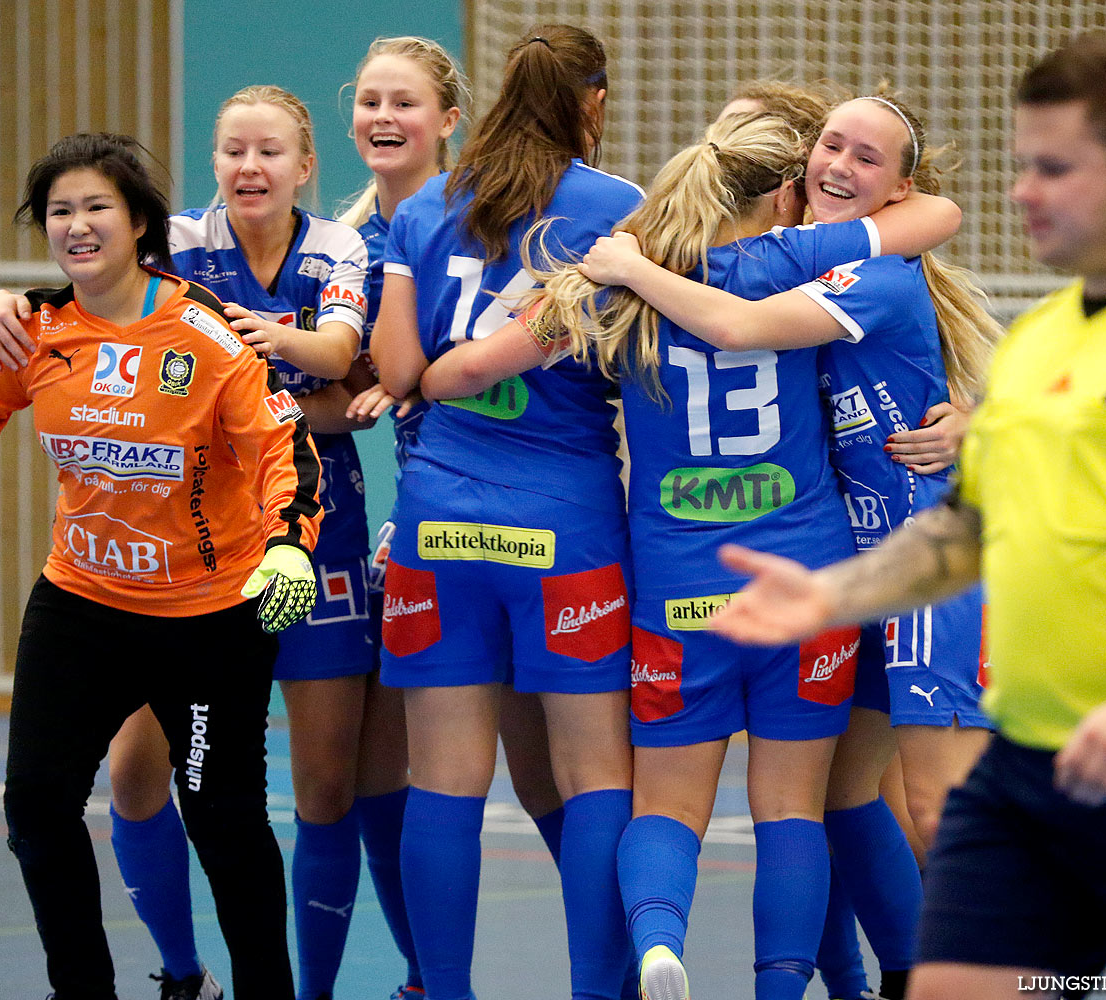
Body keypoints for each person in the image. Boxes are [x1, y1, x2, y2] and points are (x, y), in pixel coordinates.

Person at [709, 30, 1106, 1000]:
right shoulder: (1035, 345)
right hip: (1031, 760)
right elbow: (962, 533)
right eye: (1025, 165)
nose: (1024, 190)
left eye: (1054, 168)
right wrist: (828, 592)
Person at [418, 104, 960, 1000]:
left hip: (680, 587)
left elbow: (486, 363)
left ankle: (660, 944)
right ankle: (789, 986)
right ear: (782, 192)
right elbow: (926, 221)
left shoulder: (619, 286)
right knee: (796, 809)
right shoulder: (803, 263)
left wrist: (420, 383)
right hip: (806, 575)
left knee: (667, 806)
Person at [580, 89, 1002, 1000]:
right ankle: (874, 979)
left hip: (917, 565)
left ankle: (988, 973)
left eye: (866, 157)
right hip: (834, 571)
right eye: (828, 148)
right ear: (785, 177)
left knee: (923, 806)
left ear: (899, 187)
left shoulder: (834, 272)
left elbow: (727, 323)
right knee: (834, 803)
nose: (839, 167)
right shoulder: (791, 266)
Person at [0, 87, 375, 1000]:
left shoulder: (338, 249)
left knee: (315, 791)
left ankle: (300, 988)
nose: (249, 168)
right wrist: (4, 299)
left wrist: (267, 348)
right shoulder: (182, 243)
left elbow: (341, 360)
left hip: (303, 534)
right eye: (232, 150)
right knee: (132, 779)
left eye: (269, 152)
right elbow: (89, 275)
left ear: (306, 166)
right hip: (159, 561)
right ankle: (181, 973)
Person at [369, 24, 643, 1000]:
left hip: (438, 526)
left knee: (442, 781)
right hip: (563, 528)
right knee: (594, 779)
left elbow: (398, 375)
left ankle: (443, 989)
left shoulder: (422, 209)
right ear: (592, 102)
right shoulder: (621, 211)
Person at [335, 37, 571, 999]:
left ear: (449, 119)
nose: (384, 118)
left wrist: (413, 382)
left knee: (540, 772)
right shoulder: (344, 242)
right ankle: (431, 978)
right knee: (378, 778)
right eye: (370, 101)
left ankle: (630, 946)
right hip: (426, 523)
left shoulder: (489, 218)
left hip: (514, 519)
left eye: (406, 102)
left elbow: (415, 373)